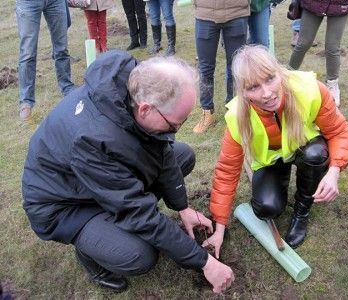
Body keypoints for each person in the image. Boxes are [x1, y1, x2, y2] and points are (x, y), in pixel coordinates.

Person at [21, 50, 234, 293]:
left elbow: (161, 147)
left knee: (181, 155)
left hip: (100, 177)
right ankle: (89, 254)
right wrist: (204, 262)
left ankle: (112, 219)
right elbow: (137, 212)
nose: (175, 130)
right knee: (139, 255)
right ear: (145, 110)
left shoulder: (137, 84)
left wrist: (182, 207)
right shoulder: (93, 139)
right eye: (175, 124)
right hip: (66, 205)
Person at [203, 45, 348, 258]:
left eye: (270, 79)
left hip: (305, 147)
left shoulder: (309, 90)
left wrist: (334, 170)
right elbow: (227, 171)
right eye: (253, 87)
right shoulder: (237, 117)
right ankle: (280, 182)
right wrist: (219, 227)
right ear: (243, 92)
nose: (267, 93)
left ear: (279, 72)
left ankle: (302, 210)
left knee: (315, 155)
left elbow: (338, 131)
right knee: (266, 208)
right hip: (272, 160)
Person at [192, 0, 250, 134]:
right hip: (205, 13)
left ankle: (234, 110)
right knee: (205, 68)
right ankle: (207, 112)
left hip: (236, 11)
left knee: (236, 67)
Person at [288, 0, 348, 106]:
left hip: (341, 3)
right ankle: (287, 77)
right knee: (303, 43)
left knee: (332, 46)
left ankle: (332, 84)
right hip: (313, 3)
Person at [16, 0, 75, 121]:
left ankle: (67, 87)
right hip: (28, 3)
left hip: (56, 2)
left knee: (62, 48)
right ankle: (26, 101)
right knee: (28, 53)